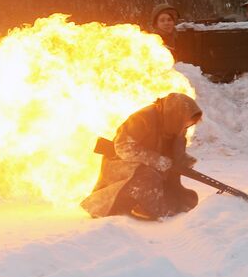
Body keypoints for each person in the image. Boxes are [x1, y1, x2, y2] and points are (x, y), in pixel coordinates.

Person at [81, 93, 201, 221]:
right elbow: (123, 147)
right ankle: (139, 205)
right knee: (149, 180)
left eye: (189, 125)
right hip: (126, 168)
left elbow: (174, 151)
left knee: (186, 200)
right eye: (186, 123)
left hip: (155, 170)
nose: (187, 127)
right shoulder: (142, 118)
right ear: (177, 115)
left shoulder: (177, 125)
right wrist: (157, 160)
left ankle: (148, 204)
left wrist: (183, 161)